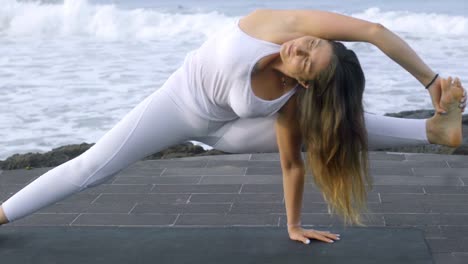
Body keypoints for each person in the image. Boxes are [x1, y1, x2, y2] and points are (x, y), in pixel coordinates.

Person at [0, 9, 466, 245]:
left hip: (231, 130)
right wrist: (428, 79)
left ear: (305, 81)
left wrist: (294, 225)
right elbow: (376, 31)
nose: (298, 51)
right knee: (94, 167)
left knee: (332, 125)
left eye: (307, 61)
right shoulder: (277, 23)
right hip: (179, 105)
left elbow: (291, 163)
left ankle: (435, 132)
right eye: (309, 45)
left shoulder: (293, 99)